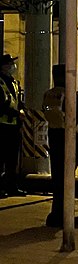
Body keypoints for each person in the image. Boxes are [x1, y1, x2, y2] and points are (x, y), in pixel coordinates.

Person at [42, 64, 78, 227]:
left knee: (57, 178)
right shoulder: (68, 94)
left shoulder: (49, 94)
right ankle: (65, 215)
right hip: (68, 138)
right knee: (68, 178)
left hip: (53, 137)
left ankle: (55, 213)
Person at [0, 54, 25, 198]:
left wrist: (21, 109)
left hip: (14, 127)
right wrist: (16, 113)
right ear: (3, 66)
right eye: (10, 64)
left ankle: (12, 187)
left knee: (12, 160)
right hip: (2, 126)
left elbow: (17, 101)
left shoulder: (13, 82)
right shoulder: (0, 83)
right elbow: (1, 105)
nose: (12, 66)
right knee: (1, 159)